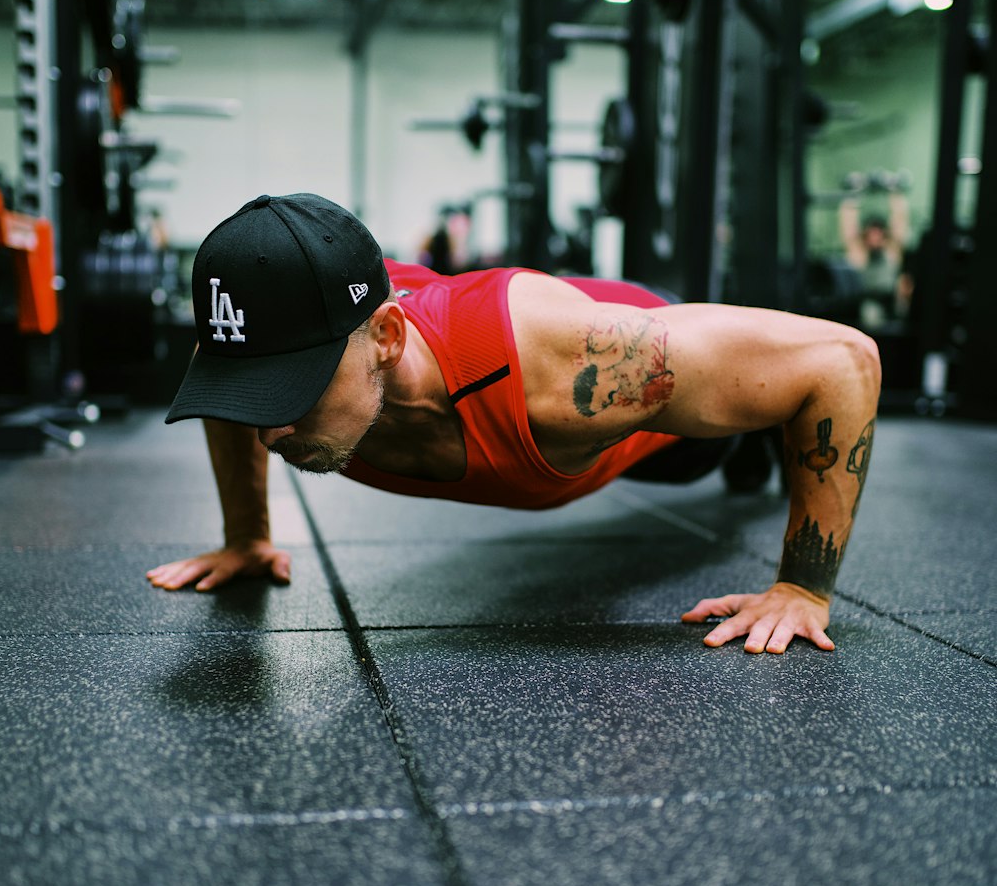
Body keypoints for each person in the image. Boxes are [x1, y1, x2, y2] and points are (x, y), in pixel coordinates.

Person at [148, 193, 881, 655]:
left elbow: (843, 361)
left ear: (388, 339)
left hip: (644, 396)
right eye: (253, 394)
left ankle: (751, 439)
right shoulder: (295, 346)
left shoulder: (572, 374)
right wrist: (247, 534)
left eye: (293, 392)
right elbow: (224, 375)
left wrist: (803, 590)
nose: (270, 432)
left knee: (717, 441)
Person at [838, 174, 911, 330]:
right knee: (870, 313)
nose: (875, 238)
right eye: (871, 233)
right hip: (866, 308)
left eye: (878, 233)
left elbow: (900, 222)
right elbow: (848, 229)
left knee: (906, 286)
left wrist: (895, 192)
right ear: (865, 235)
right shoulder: (860, 254)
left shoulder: (891, 251)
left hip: (893, 306)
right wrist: (852, 194)